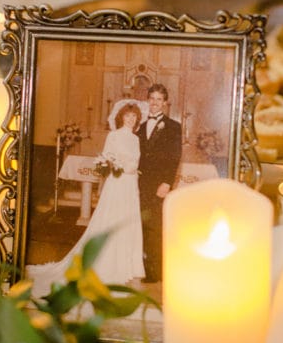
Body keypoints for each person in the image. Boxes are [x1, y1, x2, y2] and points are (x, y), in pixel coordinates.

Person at [27, 103, 145, 297]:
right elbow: (107, 161)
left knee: (128, 224)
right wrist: (116, 167)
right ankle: (107, 263)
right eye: (127, 116)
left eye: (134, 117)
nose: (130, 120)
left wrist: (130, 168)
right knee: (111, 220)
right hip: (117, 184)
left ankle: (126, 267)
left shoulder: (135, 139)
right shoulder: (113, 136)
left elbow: (136, 162)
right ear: (121, 117)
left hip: (131, 186)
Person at [137, 83, 182, 283]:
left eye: (158, 99)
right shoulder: (140, 126)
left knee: (156, 226)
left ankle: (157, 272)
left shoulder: (173, 127)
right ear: (148, 101)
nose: (154, 103)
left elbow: (174, 157)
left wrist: (166, 183)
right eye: (152, 98)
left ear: (165, 103)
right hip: (139, 184)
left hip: (159, 185)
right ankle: (145, 267)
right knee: (142, 226)